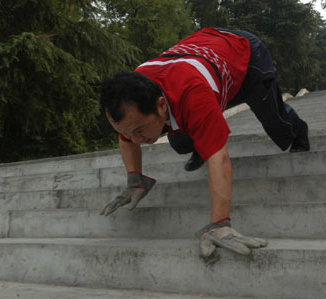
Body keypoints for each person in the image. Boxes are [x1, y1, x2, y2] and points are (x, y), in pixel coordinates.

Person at [99, 28, 310, 258]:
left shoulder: (193, 95)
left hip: (243, 55)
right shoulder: (131, 96)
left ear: (161, 105)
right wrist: (135, 178)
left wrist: (219, 224)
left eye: (139, 131)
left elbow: (219, 157)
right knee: (179, 142)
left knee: (273, 118)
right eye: (128, 133)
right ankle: (199, 144)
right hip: (206, 54)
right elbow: (127, 134)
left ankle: (299, 130)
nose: (135, 140)